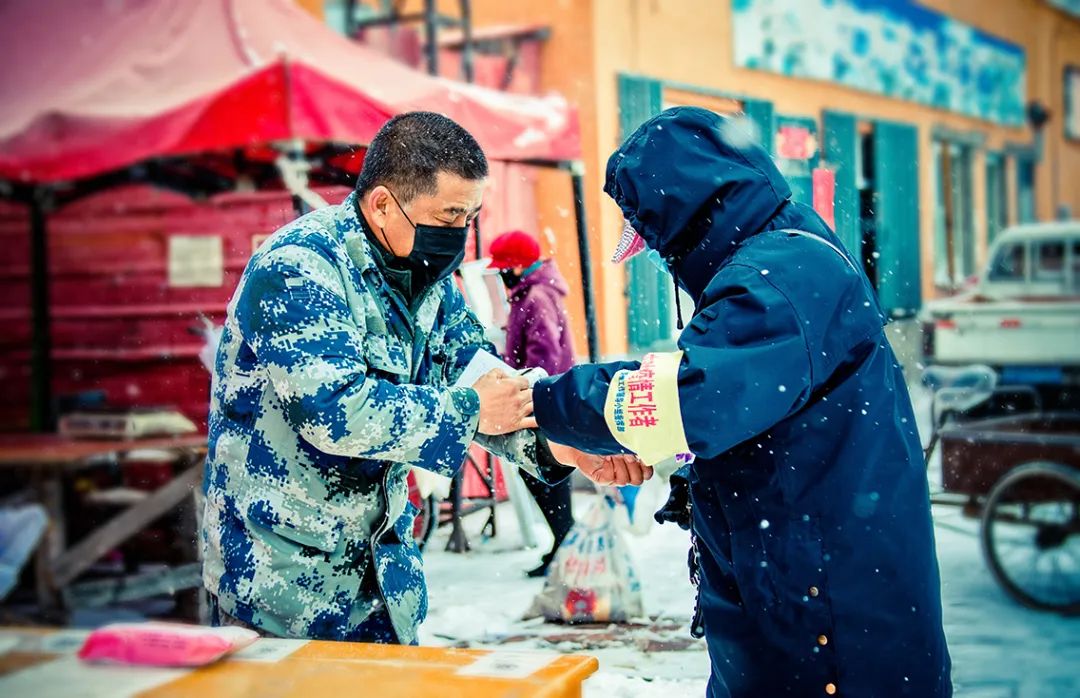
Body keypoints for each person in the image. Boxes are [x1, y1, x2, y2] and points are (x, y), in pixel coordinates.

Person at [531, 107, 952, 697]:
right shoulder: (779, 256)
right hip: (798, 604)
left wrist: (543, 401)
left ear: (685, 214)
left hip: (832, 633)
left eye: (654, 239)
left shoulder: (775, 277)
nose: (659, 257)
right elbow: (755, 424)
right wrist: (679, 467)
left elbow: (688, 400)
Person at [201, 111, 649, 644]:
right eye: (449, 215)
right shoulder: (300, 266)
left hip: (381, 581)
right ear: (383, 203)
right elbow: (334, 412)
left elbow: (478, 373)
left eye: (471, 216)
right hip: (281, 586)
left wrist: (565, 445)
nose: (460, 234)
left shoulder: (425, 280)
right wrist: (469, 410)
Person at [488, 230, 576, 577]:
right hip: (545, 401)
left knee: (545, 478)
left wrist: (530, 397)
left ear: (519, 265)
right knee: (546, 479)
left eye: (504, 267)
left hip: (540, 404)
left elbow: (545, 357)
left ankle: (565, 547)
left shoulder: (535, 296)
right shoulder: (534, 292)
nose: (501, 274)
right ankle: (562, 547)